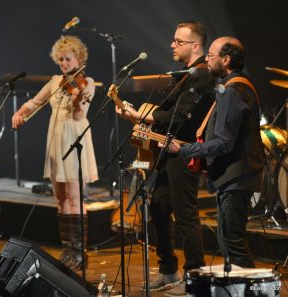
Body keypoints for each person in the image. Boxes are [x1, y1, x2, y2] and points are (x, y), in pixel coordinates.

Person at [113, 21, 215, 295]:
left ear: (195, 46)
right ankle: (169, 271)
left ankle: (196, 278)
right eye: (173, 40)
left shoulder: (202, 75)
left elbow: (178, 117)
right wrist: (139, 116)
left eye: (178, 41)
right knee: (158, 207)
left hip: (184, 152)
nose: (172, 45)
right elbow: (165, 114)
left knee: (185, 215)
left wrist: (138, 116)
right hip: (167, 151)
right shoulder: (185, 74)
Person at [168, 36, 265, 270]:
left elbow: (223, 143)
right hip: (234, 178)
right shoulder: (237, 85)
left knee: (234, 245)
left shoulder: (232, 90)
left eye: (211, 55)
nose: (207, 59)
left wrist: (184, 149)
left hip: (236, 179)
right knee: (228, 242)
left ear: (226, 59)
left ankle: (255, 293)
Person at [12, 35, 98, 271]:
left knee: (74, 197)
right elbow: (35, 103)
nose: (63, 64)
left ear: (78, 58)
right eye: (60, 60)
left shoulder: (86, 82)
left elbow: (80, 116)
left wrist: (76, 100)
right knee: (60, 198)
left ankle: (80, 252)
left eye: (67, 59)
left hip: (75, 138)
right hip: (56, 140)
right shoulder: (54, 81)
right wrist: (20, 113)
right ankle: (68, 249)